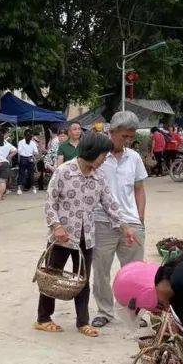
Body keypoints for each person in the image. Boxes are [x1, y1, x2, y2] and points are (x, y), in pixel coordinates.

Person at [36, 132, 136, 337]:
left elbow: (110, 205)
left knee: (83, 279)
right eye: (103, 155)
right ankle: (43, 318)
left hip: (87, 236)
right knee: (51, 276)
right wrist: (56, 226)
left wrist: (125, 226)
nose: (104, 160)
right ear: (92, 152)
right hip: (62, 237)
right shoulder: (63, 172)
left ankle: (82, 322)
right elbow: (50, 202)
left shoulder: (98, 178)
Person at [91, 110, 147, 328]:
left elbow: (139, 189)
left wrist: (140, 219)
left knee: (133, 272)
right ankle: (104, 311)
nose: (127, 141)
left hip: (131, 222)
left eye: (131, 137)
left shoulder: (134, 158)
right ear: (111, 132)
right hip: (101, 221)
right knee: (101, 270)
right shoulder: (98, 157)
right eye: (124, 136)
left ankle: (132, 311)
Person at [16, 128, 38, 194]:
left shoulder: (20, 142)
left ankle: (19, 188)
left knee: (21, 173)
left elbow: (19, 151)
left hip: (23, 159)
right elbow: (36, 152)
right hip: (30, 158)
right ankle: (34, 188)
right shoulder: (33, 143)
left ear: (24, 135)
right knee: (31, 173)